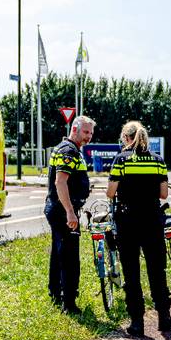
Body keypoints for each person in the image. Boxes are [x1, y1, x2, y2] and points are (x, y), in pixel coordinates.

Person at [106, 120, 171, 337]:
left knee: (131, 271)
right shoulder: (158, 161)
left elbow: (111, 192)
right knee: (157, 269)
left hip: (128, 220)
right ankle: (164, 318)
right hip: (152, 219)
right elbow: (164, 194)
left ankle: (137, 322)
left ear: (126, 138)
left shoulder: (121, 160)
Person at [45, 115, 94, 313]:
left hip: (59, 209)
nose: (88, 136)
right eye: (85, 132)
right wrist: (70, 212)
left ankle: (56, 292)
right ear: (74, 129)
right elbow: (60, 182)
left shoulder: (69, 148)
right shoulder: (68, 151)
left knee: (59, 254)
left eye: (90, 133)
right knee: (69, 257)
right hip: (62, 211)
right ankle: (69, 303)